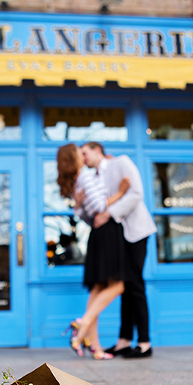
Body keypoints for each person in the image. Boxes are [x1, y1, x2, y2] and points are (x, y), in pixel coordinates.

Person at [80, 142, 157, 359]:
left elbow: (136, 193)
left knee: (135, 285)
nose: (83, 158)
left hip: (135, 232)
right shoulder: (92, 179)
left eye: (85, 153)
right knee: (121, 285)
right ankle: (124, 340)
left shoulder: (121, 162)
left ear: (97, 150)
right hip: (114, 239)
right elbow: (93, 214)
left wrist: (109, 213)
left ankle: (144, 342)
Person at [56, 143, 130, 360]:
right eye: (80, 153)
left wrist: (77, 206)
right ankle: (82, 323)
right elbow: (99, 207)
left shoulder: (75, 182)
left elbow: (87, 216)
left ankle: (96, 349)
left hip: (97, 234)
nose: (83, 156)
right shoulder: (85, 176)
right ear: (75, 158)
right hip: (108, 232)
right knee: (118, 285)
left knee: (97, 289)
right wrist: (121, 193)